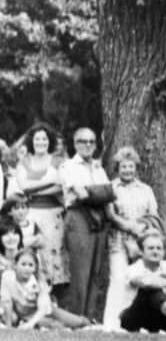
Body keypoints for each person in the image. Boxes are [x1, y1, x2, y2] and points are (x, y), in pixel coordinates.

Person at [60, 126, 113, 320]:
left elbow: (110, 193)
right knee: (80, 271)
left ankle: (89, 317)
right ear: (75, 144)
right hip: (78, 217)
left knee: (96, 270)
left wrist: (94, 193)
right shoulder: (68, 166)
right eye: (83, 141)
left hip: (99, 218)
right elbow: (81, 194)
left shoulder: (99, 167)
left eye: (91, 141)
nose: (88, 145)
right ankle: (76, 318)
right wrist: (100, 192)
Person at [104, 147, 159, 330]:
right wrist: (130, 226)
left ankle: (131, 323)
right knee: (118, 279)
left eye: (130, 166)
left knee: (136, 279)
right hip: (118, 239)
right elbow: (110, 215)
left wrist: (142, 229)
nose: (127, 170)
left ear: (136, 168)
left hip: (141, 241)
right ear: (117, 168)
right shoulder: (111, 187)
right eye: (123, 167)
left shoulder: (146, 189)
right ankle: (111, 323)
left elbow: (154, 214)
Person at [13, 122, 68, 302]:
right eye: (37, 139)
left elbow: (62, 186)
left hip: (54, 216)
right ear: (31, 141)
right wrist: (48, 182)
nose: (41, 142)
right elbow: (23, 186)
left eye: (44, 138)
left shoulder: (58, 160)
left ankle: (54, 300)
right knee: (32, 255)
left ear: (49, 141)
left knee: (53, 258)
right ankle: (29, 299)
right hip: (31, 215)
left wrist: (34, 190)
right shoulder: (24, 161)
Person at [0, 248, 92, 329]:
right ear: (15, 265)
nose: (27, 268)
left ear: (35, 268)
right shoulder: (7, 277)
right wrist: (9, 326)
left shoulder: (39, 282)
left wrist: (30, 324)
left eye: (30, 265)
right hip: (21, 313)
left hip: (41, 312)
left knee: (76, 322)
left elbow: (43, 308)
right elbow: (6, 301)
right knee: (54, 326)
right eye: (23, 264)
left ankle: (89, 323)